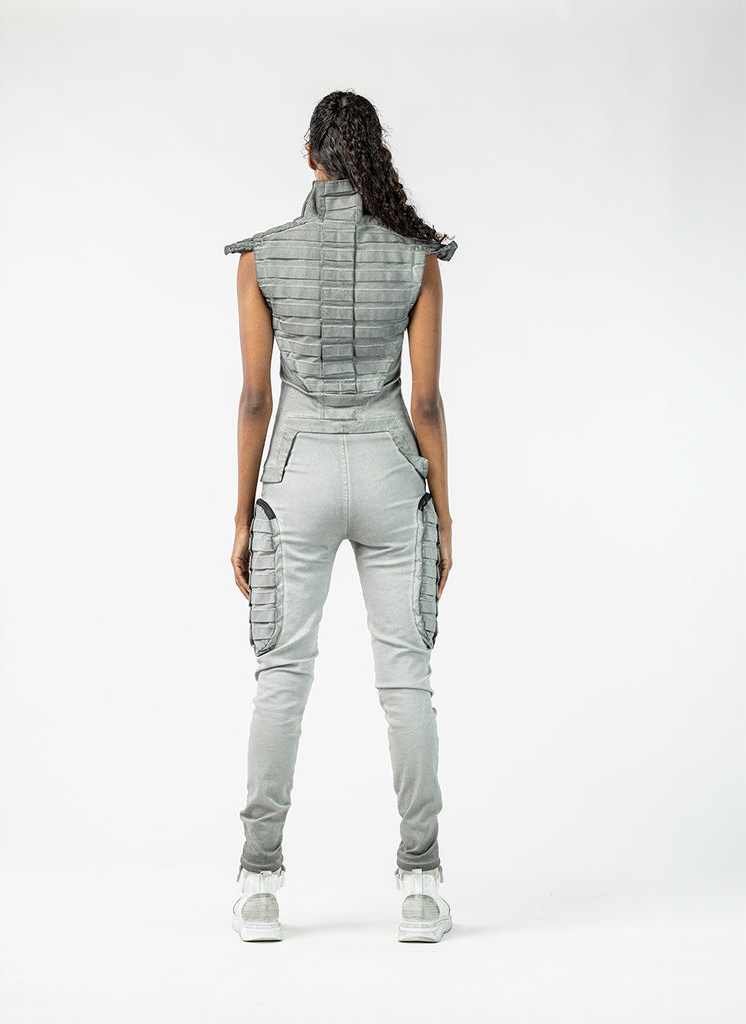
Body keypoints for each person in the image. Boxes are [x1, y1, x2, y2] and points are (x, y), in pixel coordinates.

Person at [224, 90, 457, 943]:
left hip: (297, 474)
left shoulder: (261, 256)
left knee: (281, 677)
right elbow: (425, 401)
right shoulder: (416, 256)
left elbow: (256, 397)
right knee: (406, 681)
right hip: (392, 471)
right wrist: (445, 514)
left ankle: (258, 885)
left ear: (310, 157)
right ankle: (421, 884)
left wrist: (242, 514)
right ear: (370, 158)